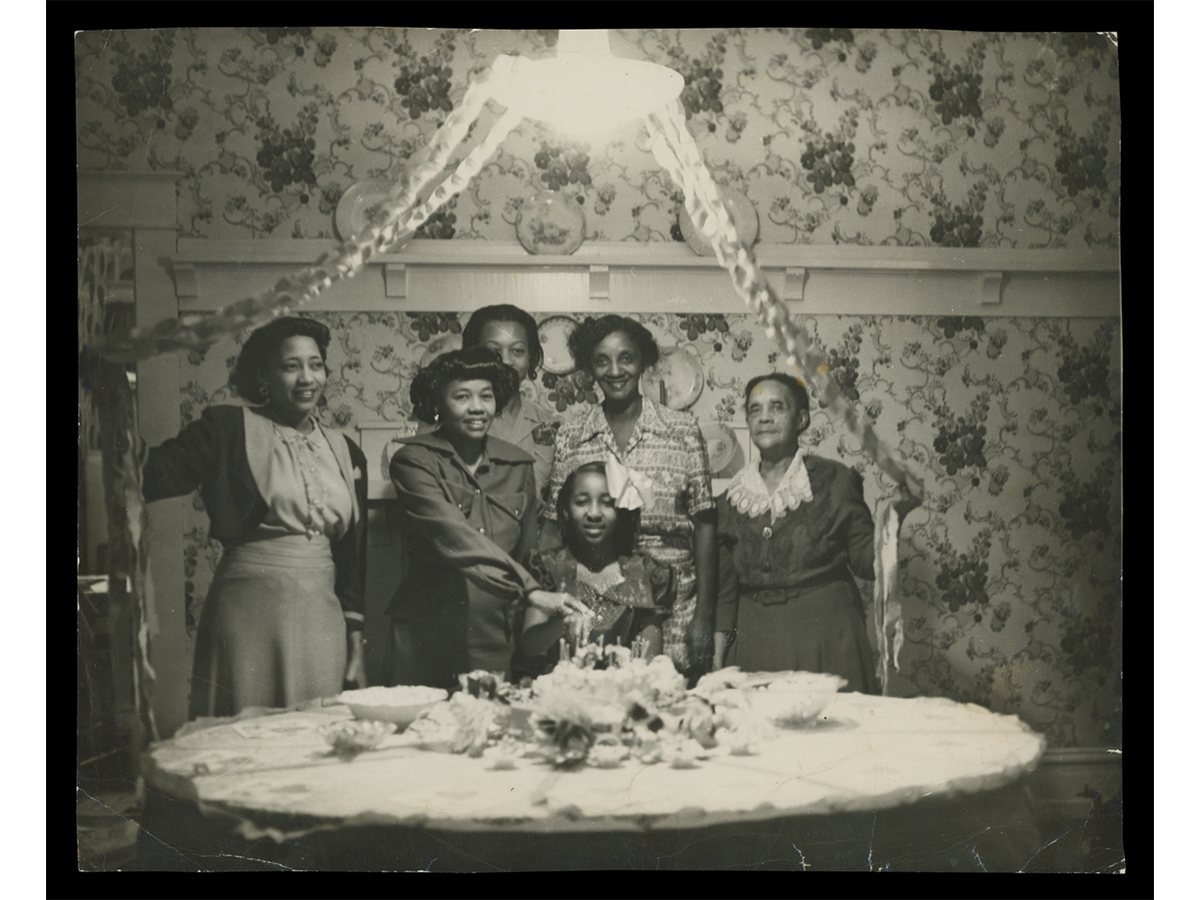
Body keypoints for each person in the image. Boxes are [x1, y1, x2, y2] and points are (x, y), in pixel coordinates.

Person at [142, 316, 368, 719]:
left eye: (315, 365)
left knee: (315, 737)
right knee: (245, 733)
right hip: (249, 611)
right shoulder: (226, 428)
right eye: (290, 366)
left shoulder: (346, 449)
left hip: (322, 616)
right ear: (263, 375)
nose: (306, 378)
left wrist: (356, 641)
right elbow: (155, 474)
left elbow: (352, 557)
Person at [386, 346, 586, 689]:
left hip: (496, 637)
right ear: (438, 402)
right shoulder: (413, 460)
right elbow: (454, 535)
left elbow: (528, 553)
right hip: (425, 633)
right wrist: (532, 592)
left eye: (486, 396)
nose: (477, 407)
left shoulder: (519, 465)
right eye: (462, 396)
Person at [713, 374, 919, 692]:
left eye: (776, 406)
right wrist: (717, 665)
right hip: (754, 647)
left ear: (802, 419)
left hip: (827, 641)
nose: (764, 417)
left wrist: (894, 516)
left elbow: (867, 563)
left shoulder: (835, 481)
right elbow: (724, 596)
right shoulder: (729, 501)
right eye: (754, 410)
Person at [545, 315, 717, 677]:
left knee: (667, 712)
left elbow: (704, 526)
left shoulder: (682, 431)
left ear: (642, 363)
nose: (615, 370)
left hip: (676, 610)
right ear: (590, 367)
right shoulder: (572, 436)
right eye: (602, 360)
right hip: (597, 609)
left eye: (626, 358)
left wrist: (703, 617)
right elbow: (553, 528)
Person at [522, 460, 676, 665]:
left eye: (607, 503)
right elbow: (529, 647)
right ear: (566, 509)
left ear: (621, 509)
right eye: (582, 501)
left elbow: (649, 663)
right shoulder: (548, 568)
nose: (594, 513)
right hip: (561, 692)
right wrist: (561, 623)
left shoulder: (644, 574)